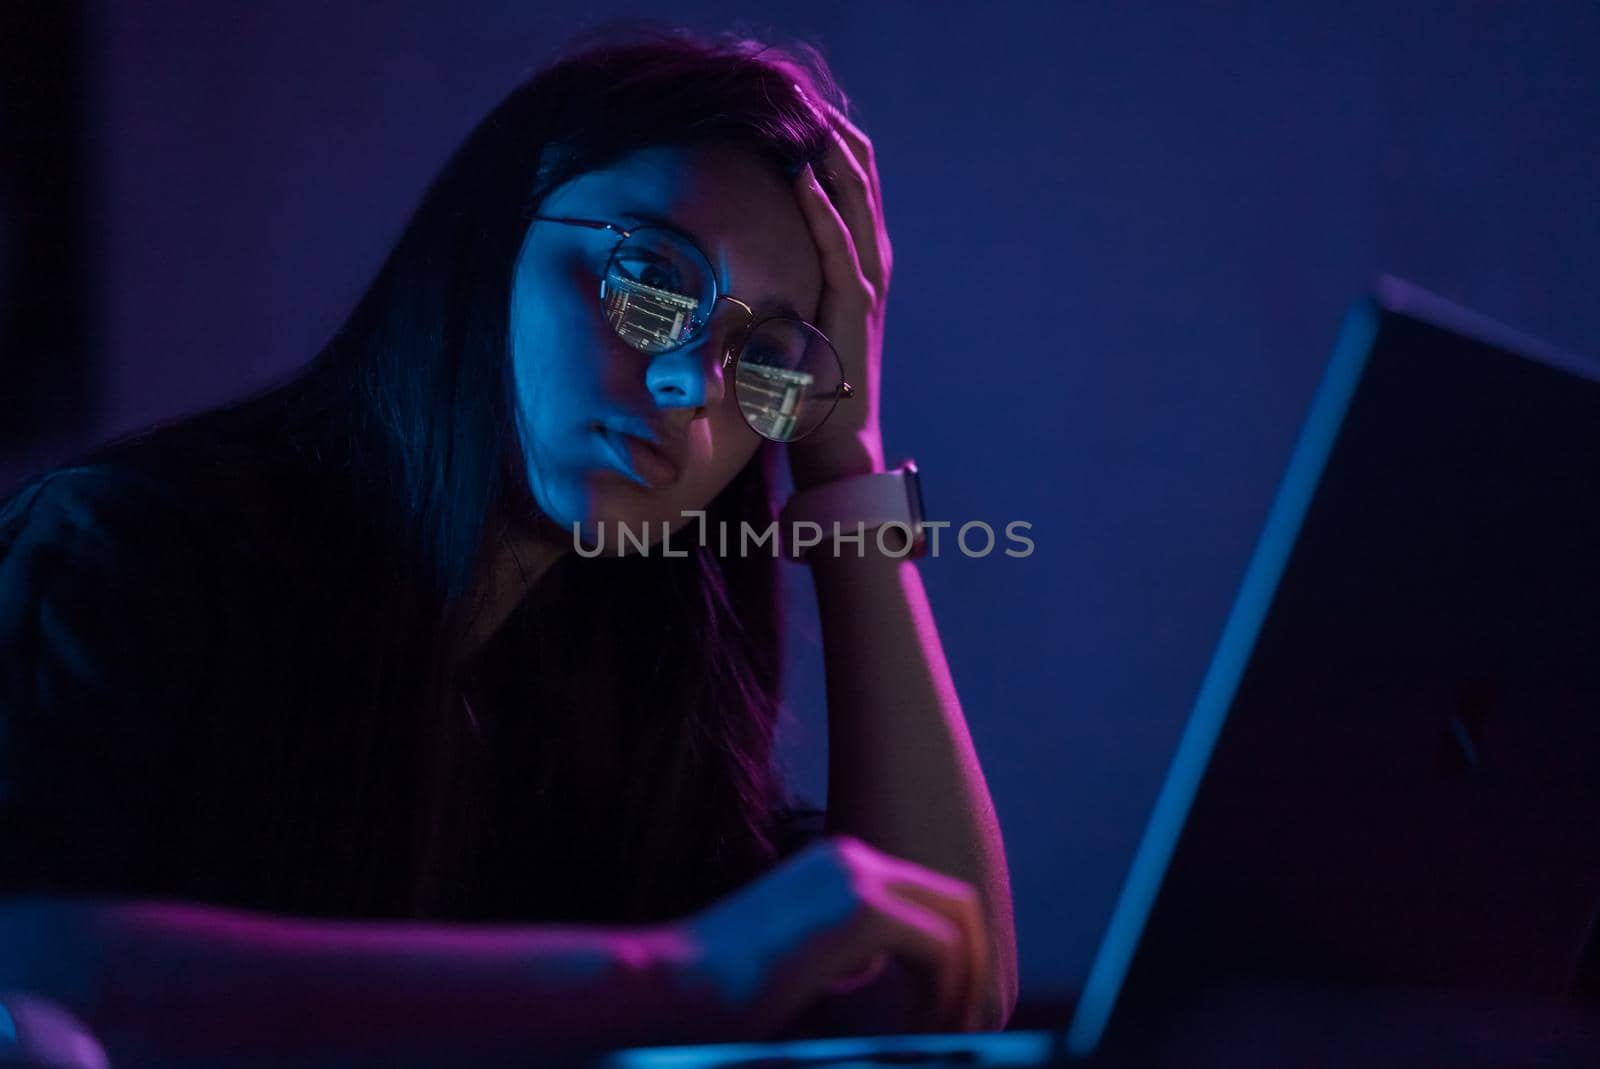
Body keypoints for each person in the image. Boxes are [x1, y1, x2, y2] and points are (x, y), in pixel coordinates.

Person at [0, 25, 1018, 1069]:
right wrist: (669, 978)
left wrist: (846, 454)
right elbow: (26, 973)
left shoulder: (628, 669)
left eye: (763, 358)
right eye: (651, 280)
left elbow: (929, 996)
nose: (689, 387)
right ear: (494, 240)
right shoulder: (131, 553)